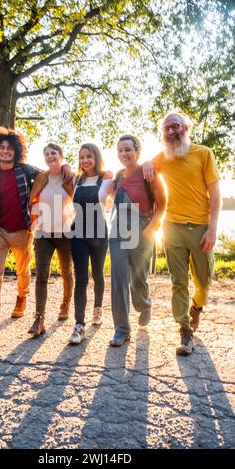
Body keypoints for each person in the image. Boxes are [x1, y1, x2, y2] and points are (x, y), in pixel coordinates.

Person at [0, 127, 71, 335]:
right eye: (2, 148)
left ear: (17, 151)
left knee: (22, 271)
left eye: (10, 148)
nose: (5, 151)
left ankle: (22, 296)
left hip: (22, 230)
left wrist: (65, 165)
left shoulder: (26, 170)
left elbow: (51, 173)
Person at [143, 111, 221, 356]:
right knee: (178, 282)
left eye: (175, 126)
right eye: (166, 128)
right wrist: (146, 162)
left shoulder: (204, 153)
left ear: (186, 128)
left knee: (204, 281)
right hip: (172, 227)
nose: (171, 131)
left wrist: (212, 229)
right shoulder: (162, 157)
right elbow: (144, 165)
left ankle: (196, 307)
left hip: (200, 228)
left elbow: (216, 193)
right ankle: (185, 331)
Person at [109, 135, 167, 347]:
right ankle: (122, 330)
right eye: (120, 150)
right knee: (119, 280)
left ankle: (144, 304)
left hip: (142, 229)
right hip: (118, 230)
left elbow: (162, 205)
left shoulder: (148, 174)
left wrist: (150, 230)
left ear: (137, 152)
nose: (124, 154)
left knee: (138, 280)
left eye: (128, 150)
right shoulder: (118, 176)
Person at [28, 143, 74, 337]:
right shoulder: (40, 177)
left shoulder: (70, 177)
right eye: (46, 154)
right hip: (44, 234)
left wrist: (68, 166)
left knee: (66, 272)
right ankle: (39, 318)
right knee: (41, 275)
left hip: (65, 234)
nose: (50, 156)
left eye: (53, 153)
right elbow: (32, 201)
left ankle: (65, 304)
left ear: (61, 156)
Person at [68, 143, 113, 345]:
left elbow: (113, 199)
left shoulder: (106, 177)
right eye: (82, 157)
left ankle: (98, 309)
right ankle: (79, 325)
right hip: (78, 233)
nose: (85, 160)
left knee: (97, 275)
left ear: (96, 157)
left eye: (89, 156)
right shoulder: (77, 179)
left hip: (99, 234)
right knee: (81, 279)